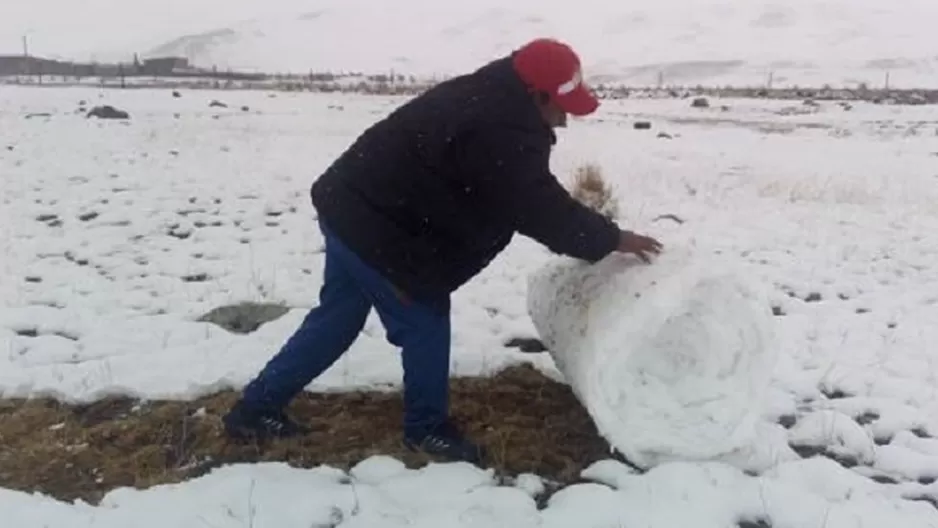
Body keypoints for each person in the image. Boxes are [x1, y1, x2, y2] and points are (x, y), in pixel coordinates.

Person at [222, 37, 663, 465]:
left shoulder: (490, 96)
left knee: (338, 316)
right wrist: (611, 239)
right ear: (535, 92)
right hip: (380, 226)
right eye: (560, 107)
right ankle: (426, 430)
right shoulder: (499, 128)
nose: (564, 120)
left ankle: (256, 410)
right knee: (425, 319)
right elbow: (535, 205)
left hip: (351, 204)